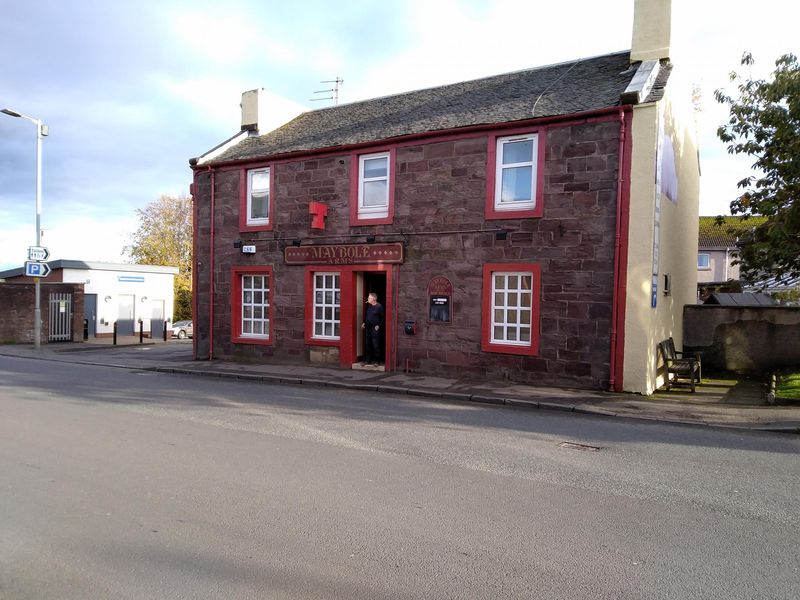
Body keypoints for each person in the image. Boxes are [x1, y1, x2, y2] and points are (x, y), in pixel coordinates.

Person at [361, 292, 384, 365]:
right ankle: (368, 360)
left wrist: (379, 325)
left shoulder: (379, 306)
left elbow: (382, 318)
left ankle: (377, 361)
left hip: (374, 328)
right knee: (368, 344)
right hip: (368, 327)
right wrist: (364, 323)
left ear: (373, 299)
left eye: (369, 297)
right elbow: (367, 315)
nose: (368, 298)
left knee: (375, 344)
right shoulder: (369, 306)